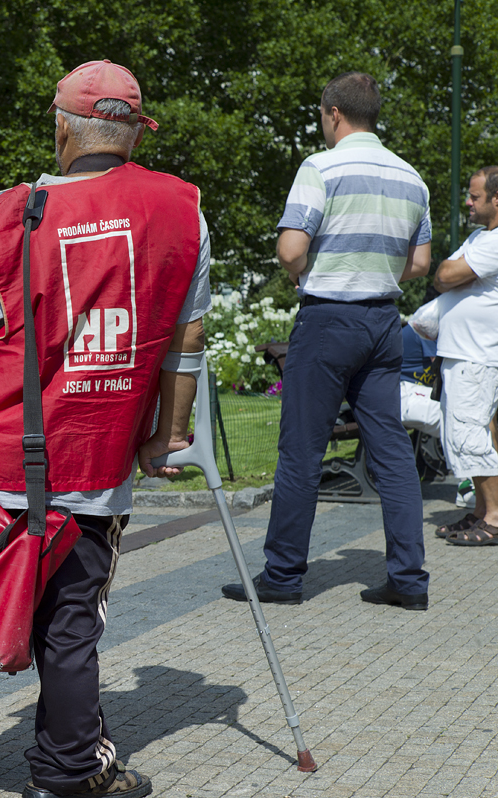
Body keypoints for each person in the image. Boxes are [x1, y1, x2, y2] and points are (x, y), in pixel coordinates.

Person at [0, 60, 209, 798]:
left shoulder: (12, 211)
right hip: (94, 457)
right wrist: (168, 434)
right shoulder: (183, 208)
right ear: (133, 133)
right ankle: (68, 770)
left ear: (62, 128)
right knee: (70, 621)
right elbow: (188, 339)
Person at [222, 72, 431, 611]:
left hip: (328, 321)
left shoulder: (321, 167)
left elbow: (291, 250)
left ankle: (282, 576)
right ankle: (409, 581)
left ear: (334, 113)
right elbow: (419, 264)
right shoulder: (412, 178)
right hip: (384, 323)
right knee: (392, 452)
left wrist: (324, 266)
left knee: (301, 450)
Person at [430, 165, 498, 545]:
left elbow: (445, 277)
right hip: (463, 353)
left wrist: (456, 274)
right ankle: (480, 512)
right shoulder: (479, 237)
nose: (468, 202)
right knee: (467, 435)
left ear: (497, 199)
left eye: (475, 196)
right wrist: (455, 274)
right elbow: (443, 271)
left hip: (477, 355)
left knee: (471, 436)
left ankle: (495, 517)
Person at [399, 322, 438, 437]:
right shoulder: (429, 324)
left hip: (416, 390)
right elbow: (442, 370)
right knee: (452, 414)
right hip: (400, 390)